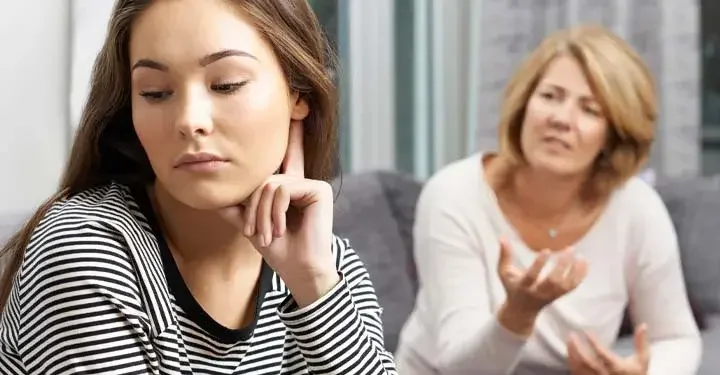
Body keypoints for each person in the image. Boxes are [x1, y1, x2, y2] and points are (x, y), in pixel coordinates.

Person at [0, 0, 398, 374]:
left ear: (298, 94)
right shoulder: (84, 250)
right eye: (155, 93)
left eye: (226, 84)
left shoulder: (326, 264)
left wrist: (312, 282)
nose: (189, 120)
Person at [395, 25, 701, 375]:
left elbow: (677, 338)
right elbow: (462, 367)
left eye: (590, 109)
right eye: (550, 96)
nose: (561, 119)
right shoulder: (453, 194)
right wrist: (519, 312)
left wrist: (644, 372)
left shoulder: (637, 207)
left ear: (614, 135)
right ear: (524, 104)